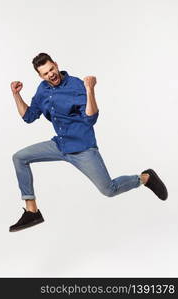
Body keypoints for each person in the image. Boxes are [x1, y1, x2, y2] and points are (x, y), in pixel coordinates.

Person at [9, 53, 168, 232]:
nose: (51, 75)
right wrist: (16, 95)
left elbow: (91, 119)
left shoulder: (77, 85)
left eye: (52, 69)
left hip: (82, 148)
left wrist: (90, 90)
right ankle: (32, 211)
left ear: (56, 64)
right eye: (45, 73)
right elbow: (28, 117)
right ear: (40, 76)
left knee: (109, 189)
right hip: (59, 145)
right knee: (19, 157)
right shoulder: (43, 89)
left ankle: (145, 178)